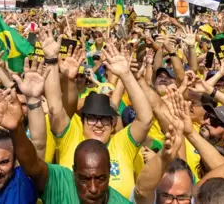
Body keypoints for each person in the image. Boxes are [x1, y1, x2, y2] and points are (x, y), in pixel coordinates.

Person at [40, 32, 153, 198]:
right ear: (82, 121)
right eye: (92, 118)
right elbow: (55, 110)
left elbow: (145, 119)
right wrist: (51, 61)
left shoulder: (122, 144)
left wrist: (126, 75)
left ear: (113, 123)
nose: (99, 124)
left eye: (105, 119)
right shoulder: (71, 138)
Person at [0, 89, 131, 203]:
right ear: (74, 172)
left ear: (110, 173)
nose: (93, 188)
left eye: (100, 179)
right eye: (84, 179)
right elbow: (32, 165)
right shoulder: (60, 182)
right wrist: (16, 129)